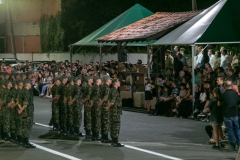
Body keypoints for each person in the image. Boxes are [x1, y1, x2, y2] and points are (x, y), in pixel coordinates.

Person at [218, 79, 240, 150]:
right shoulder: (236, 93)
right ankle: (239, 144)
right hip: (235, 113)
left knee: (230, 129)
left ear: (225, 86)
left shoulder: (223, 94)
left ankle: (232, 144)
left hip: (227, 114)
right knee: (237, 129)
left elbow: (219, 103)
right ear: (231, 85)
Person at [106, 78, 124, 147]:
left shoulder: (112, 90)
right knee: (116, 126)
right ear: (115, 83)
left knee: (113, 125)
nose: (119, 83)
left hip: (113, 111)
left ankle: (113, 140)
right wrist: (108, 106)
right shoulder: (114, 91)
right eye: (118, 82)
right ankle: (115, 141)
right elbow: (112, 102)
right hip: (115, 111)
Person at [99, 76, 112, 143]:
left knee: (103, 121)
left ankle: (103, 136)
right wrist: (102, 102)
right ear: (107, 80)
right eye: (110, 79)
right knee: (106, 122)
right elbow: (106, 97)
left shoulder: (102, 87)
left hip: (102, 106)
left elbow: (100, 96)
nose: (111, 80)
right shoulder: (107, 88)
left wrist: (100, 102)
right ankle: (105, 137)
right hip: (106, 105)